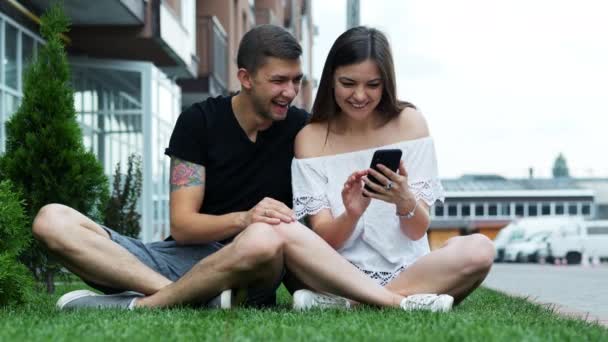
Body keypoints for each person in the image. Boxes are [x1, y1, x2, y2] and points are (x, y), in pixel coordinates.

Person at [33, 25, 437, 311]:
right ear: (245, 77)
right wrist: (244, 217)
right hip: (185, 257)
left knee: (264, 238)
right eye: (279, 80)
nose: (290, 92)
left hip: (254, 266)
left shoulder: (303, 131)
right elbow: (185, 225)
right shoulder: (198, 122)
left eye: (296, 80)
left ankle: (153, 302)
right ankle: (183, 297)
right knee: (51, 220)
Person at [290, 26, 495, 309]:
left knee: (480, 249)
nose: (360, 95)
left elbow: (416, 231)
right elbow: (326, 241)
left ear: (386, 83)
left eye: (372, 85)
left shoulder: (411, 123)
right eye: (348, 83)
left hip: (409, 269)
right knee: (287, 237)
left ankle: (355, 304)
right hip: (338, 272)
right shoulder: (310, 140)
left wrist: (404, 201)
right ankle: (406, 301)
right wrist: (351, 214)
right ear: (330, 81)